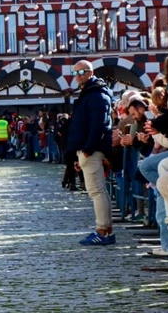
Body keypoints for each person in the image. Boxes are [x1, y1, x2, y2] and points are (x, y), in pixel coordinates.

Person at [66, 60, 115, 246]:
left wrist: (87, 149)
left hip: (91, 150)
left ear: (90, 73)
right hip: (87, 149)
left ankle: (102, 231)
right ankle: (105, 230)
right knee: (98, 191)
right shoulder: (92, 93)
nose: (78, 76)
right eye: (75, 72)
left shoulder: (95, 94)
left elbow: (99, 125)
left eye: (81, 72)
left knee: (97, 192)